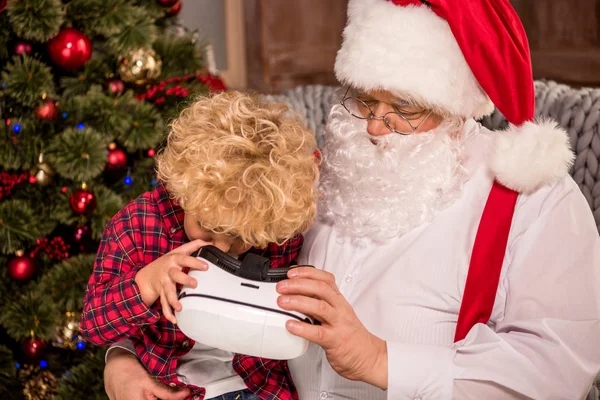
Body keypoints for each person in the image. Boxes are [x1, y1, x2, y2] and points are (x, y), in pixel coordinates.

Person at [103, 0, 600, 399]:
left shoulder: (531, 201)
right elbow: (209, 293)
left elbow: (559, 370)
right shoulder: (310, 170)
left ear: (456, 104)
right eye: (364, 99)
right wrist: (123, 362)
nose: (376, 126)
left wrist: (380, 361)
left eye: (405, 108)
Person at [80, 91, 319, 400]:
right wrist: (148, 282)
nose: (223, 245)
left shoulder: (273, 228)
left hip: (257, 388)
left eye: (240, 235)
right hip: (171, 388)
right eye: (210, 227)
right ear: (183, 192)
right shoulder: (138, 225)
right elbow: (93, 326)